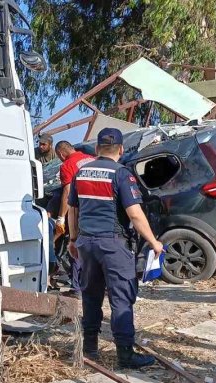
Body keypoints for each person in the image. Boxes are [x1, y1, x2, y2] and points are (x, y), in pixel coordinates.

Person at [67, 127, 163, 368]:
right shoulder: (121, 174)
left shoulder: (81, 172)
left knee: (91, 295)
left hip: (86, 243)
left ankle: (89, 350)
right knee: (121, 297)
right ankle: (125, 354)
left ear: (98, 148)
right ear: (120, 149)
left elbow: (73, 210)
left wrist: (72, 239)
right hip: (112, 244)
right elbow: (135, 214)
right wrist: (153, 242)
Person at [51, 141, 95, 291]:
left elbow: (67, 192)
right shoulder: (92, 159)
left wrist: (61, 218)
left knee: (75, 247)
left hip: (81, 211)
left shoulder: (67, 165)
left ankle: (77, 288)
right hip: (101, 211)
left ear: (62, 154)